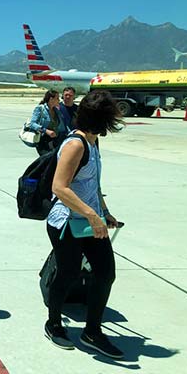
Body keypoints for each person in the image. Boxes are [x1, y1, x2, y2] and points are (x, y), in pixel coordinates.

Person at [43, 90, 124, 359]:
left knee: (105, 273)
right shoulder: (75, 144)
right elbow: (59, 187)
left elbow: (92, 184)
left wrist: (105, 211)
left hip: (91, 221)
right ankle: (54, 323)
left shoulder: (93, 142)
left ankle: (92, 332)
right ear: (100, 119)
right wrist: (92, 214)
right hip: (66, 223)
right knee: (67, 273)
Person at [29, 90, 67, 156]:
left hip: (55, 141)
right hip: (43, 140)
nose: (59, 100)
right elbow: (32, 124)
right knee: (46, 160)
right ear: (51, 99)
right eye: (57, 98)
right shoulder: (40, 109)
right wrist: (46, 131)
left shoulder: (57, 111)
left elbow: (61, 126)